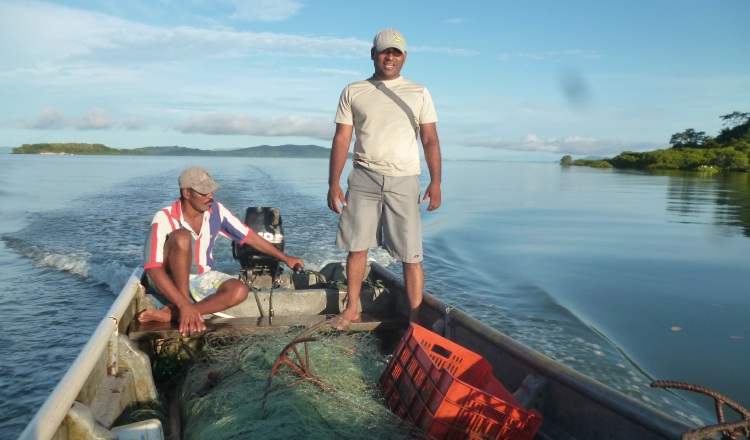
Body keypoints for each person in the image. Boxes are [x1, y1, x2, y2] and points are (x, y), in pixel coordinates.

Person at [327, 28, 442, 329]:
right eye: (384, 51)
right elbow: (342, 139)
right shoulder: (353, 91)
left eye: (396, 52)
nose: (389, 57)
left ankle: (415, 321)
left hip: (404, 180)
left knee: (411, 254)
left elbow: (430, 139)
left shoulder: (419, 92)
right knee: (357, 247)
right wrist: (333, 183)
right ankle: (352, 308)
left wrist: (436, 182)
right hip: (363, 177)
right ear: (373, 54)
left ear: (404, 57)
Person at [140, 167, 304, 336]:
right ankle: (183, 308)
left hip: (200, 278)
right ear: (186, 193)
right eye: (204, 193)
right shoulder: (164, 217)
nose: (210, 196)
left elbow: (249, 237)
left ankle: (174, 313)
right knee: (182, 236)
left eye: (211, 191)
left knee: (240, 290)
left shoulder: (216, 211)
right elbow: (152, 268)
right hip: (168, 279)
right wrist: (184, 304)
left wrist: (285, 258)